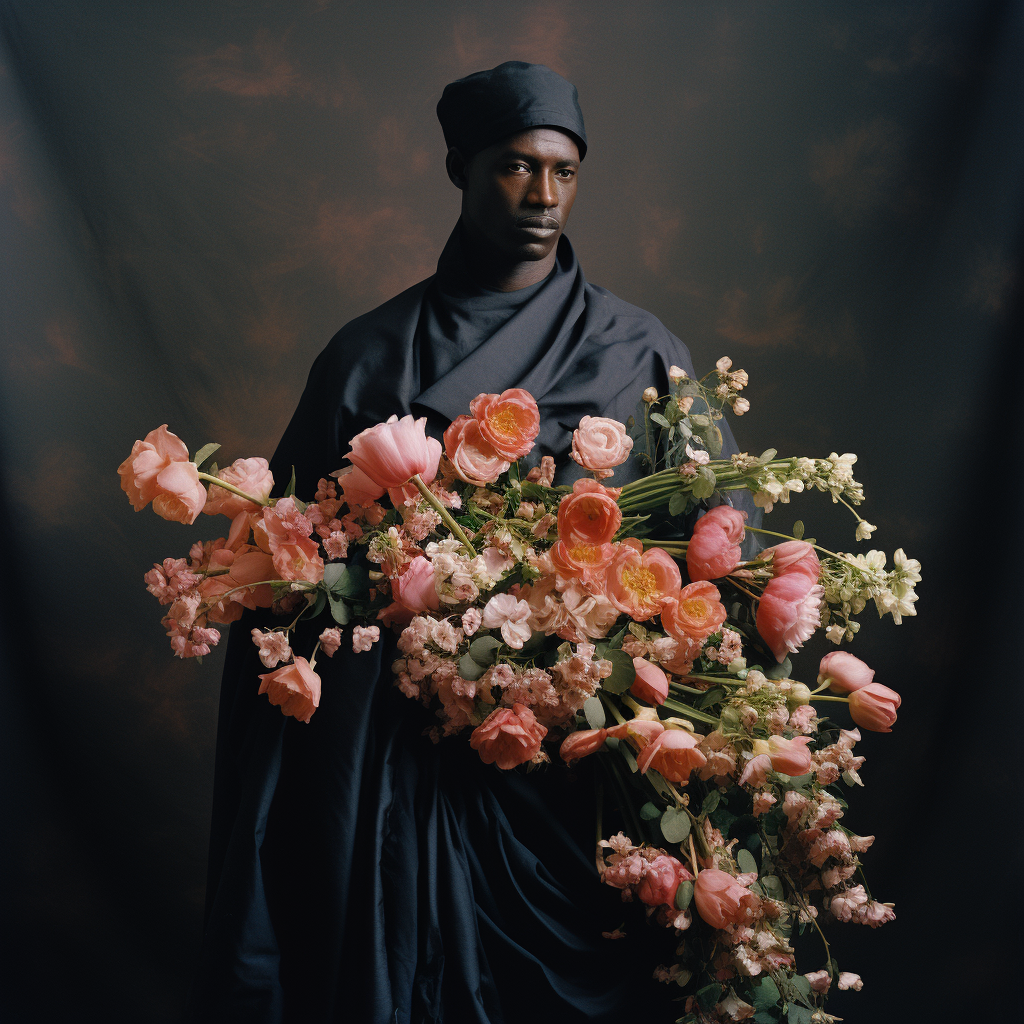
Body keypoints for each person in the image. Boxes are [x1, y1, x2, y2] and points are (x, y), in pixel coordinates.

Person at [188, 61, 753, 1024]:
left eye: (563, 172)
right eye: (515, 168)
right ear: (460, 168)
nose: (543, 197)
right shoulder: (370, 355)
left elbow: (717, 559)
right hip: (404, 779)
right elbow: (280, 574)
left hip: (582, 779)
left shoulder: (640, 351)